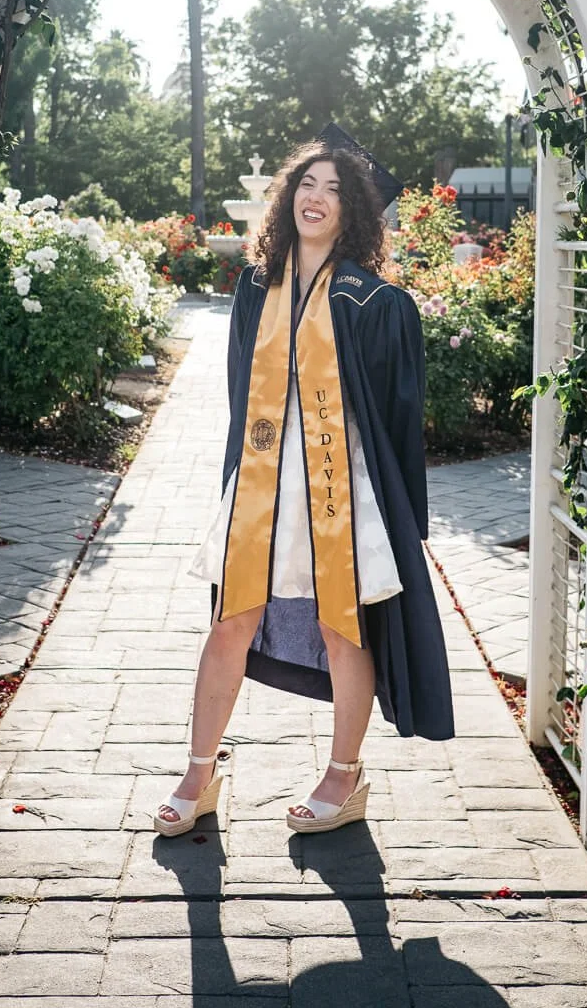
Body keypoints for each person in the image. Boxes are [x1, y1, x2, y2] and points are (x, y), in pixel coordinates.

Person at [155, 131, 454, 838]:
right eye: (306, 185)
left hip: (339, 484)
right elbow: (239, 392)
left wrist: (405, 519)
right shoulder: (257, 286)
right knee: (231, 617)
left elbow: (396, 421)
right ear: (287, 198)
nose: (315, 197)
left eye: (333, 189)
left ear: (354, 211)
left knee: (341, 625)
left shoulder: (376, 303)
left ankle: (342, 779)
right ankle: (199, 774)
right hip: (262, 478)